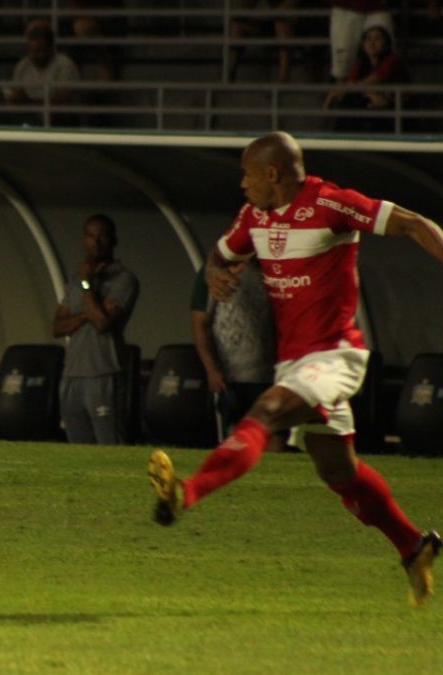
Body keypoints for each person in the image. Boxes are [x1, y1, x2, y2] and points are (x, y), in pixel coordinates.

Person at [148, 131, 443, 607]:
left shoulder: (329, 204)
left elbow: (410, 224)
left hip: (335, 356)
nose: (241, 184)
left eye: (247, 174)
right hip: (294, 362)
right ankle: (414, 546)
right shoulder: (253, 217)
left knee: (265, 413)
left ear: (272, 173)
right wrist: (214, 274)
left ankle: (187, 492)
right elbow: (220, 256)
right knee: (338, 472)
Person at [52, 214, 138, 446]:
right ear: (83, 239)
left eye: (102, 236)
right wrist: (85, 314)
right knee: (78, 450)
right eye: (90, 236)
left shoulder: (124, 279)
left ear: (113, 240)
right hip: (72, 374)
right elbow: (58, 327)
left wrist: (87, 284)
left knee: (110, 447)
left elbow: (101, 323)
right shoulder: (75, 280)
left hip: (103, 372)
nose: (96, 242)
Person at [189, 258, 276, 441]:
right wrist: (212, 370)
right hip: (232, 376)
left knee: (272, 433)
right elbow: (199, 324)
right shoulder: (213, 272)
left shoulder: (275, 269)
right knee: (237, 434)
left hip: (271, 372)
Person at [323, 25, 409, 133]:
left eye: (377, 39)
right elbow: (351, 84)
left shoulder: (392, 61)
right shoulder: (361, 64)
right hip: (371, 102)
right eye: (368, 39)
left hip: (395, 104)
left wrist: (339, 91)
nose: (372, 43)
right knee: (349, 101)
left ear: (386, 44)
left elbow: (373, 81)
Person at [6, 21, 81, 127]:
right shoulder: (22, 66)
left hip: (59, 123)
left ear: (51, 47)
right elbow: (16, 97)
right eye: (33, 52)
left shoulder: (65, 65)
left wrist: (27, 103)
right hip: (28, 119)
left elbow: (63, 103)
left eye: (41, 51)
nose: (37, 56)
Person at [329, 0, 393, 82]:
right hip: (345, 7)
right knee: (343, 60)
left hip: (378, 6)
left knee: (384, 51)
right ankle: (341, 92)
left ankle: (377, 92)